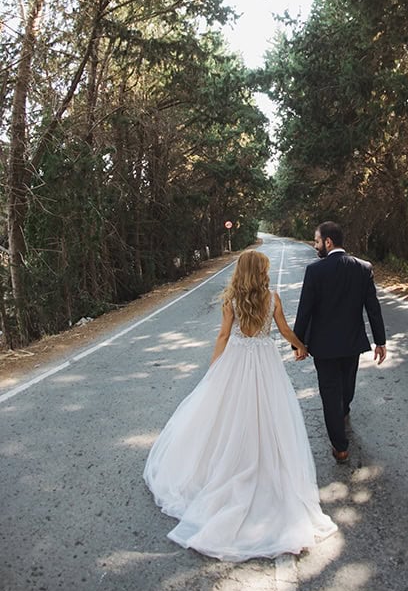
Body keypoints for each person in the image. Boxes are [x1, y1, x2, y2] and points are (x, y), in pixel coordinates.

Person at [144, 250, 337, 562]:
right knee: (269, 416)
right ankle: (263, 463)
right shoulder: (272, 298)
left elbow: (222, 335)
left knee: (228, 416)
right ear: (260, 271)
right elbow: (285, 331)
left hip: (235, 359)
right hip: (265, 362)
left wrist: (214, 368)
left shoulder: (231, 299)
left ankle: (231, 461)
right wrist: (301, 346)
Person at [294, 221, 387, 464]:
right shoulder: (363, 268)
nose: (315, 246)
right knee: (347, 385)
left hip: (323, 347)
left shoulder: (315, 271)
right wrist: (380, 341)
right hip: (351, 343)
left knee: (330, 393)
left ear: (328, 242)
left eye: (316, 241)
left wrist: (298, 343)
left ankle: (340, 446)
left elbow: (305, 311)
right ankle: (343, 412)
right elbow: (373, 309)